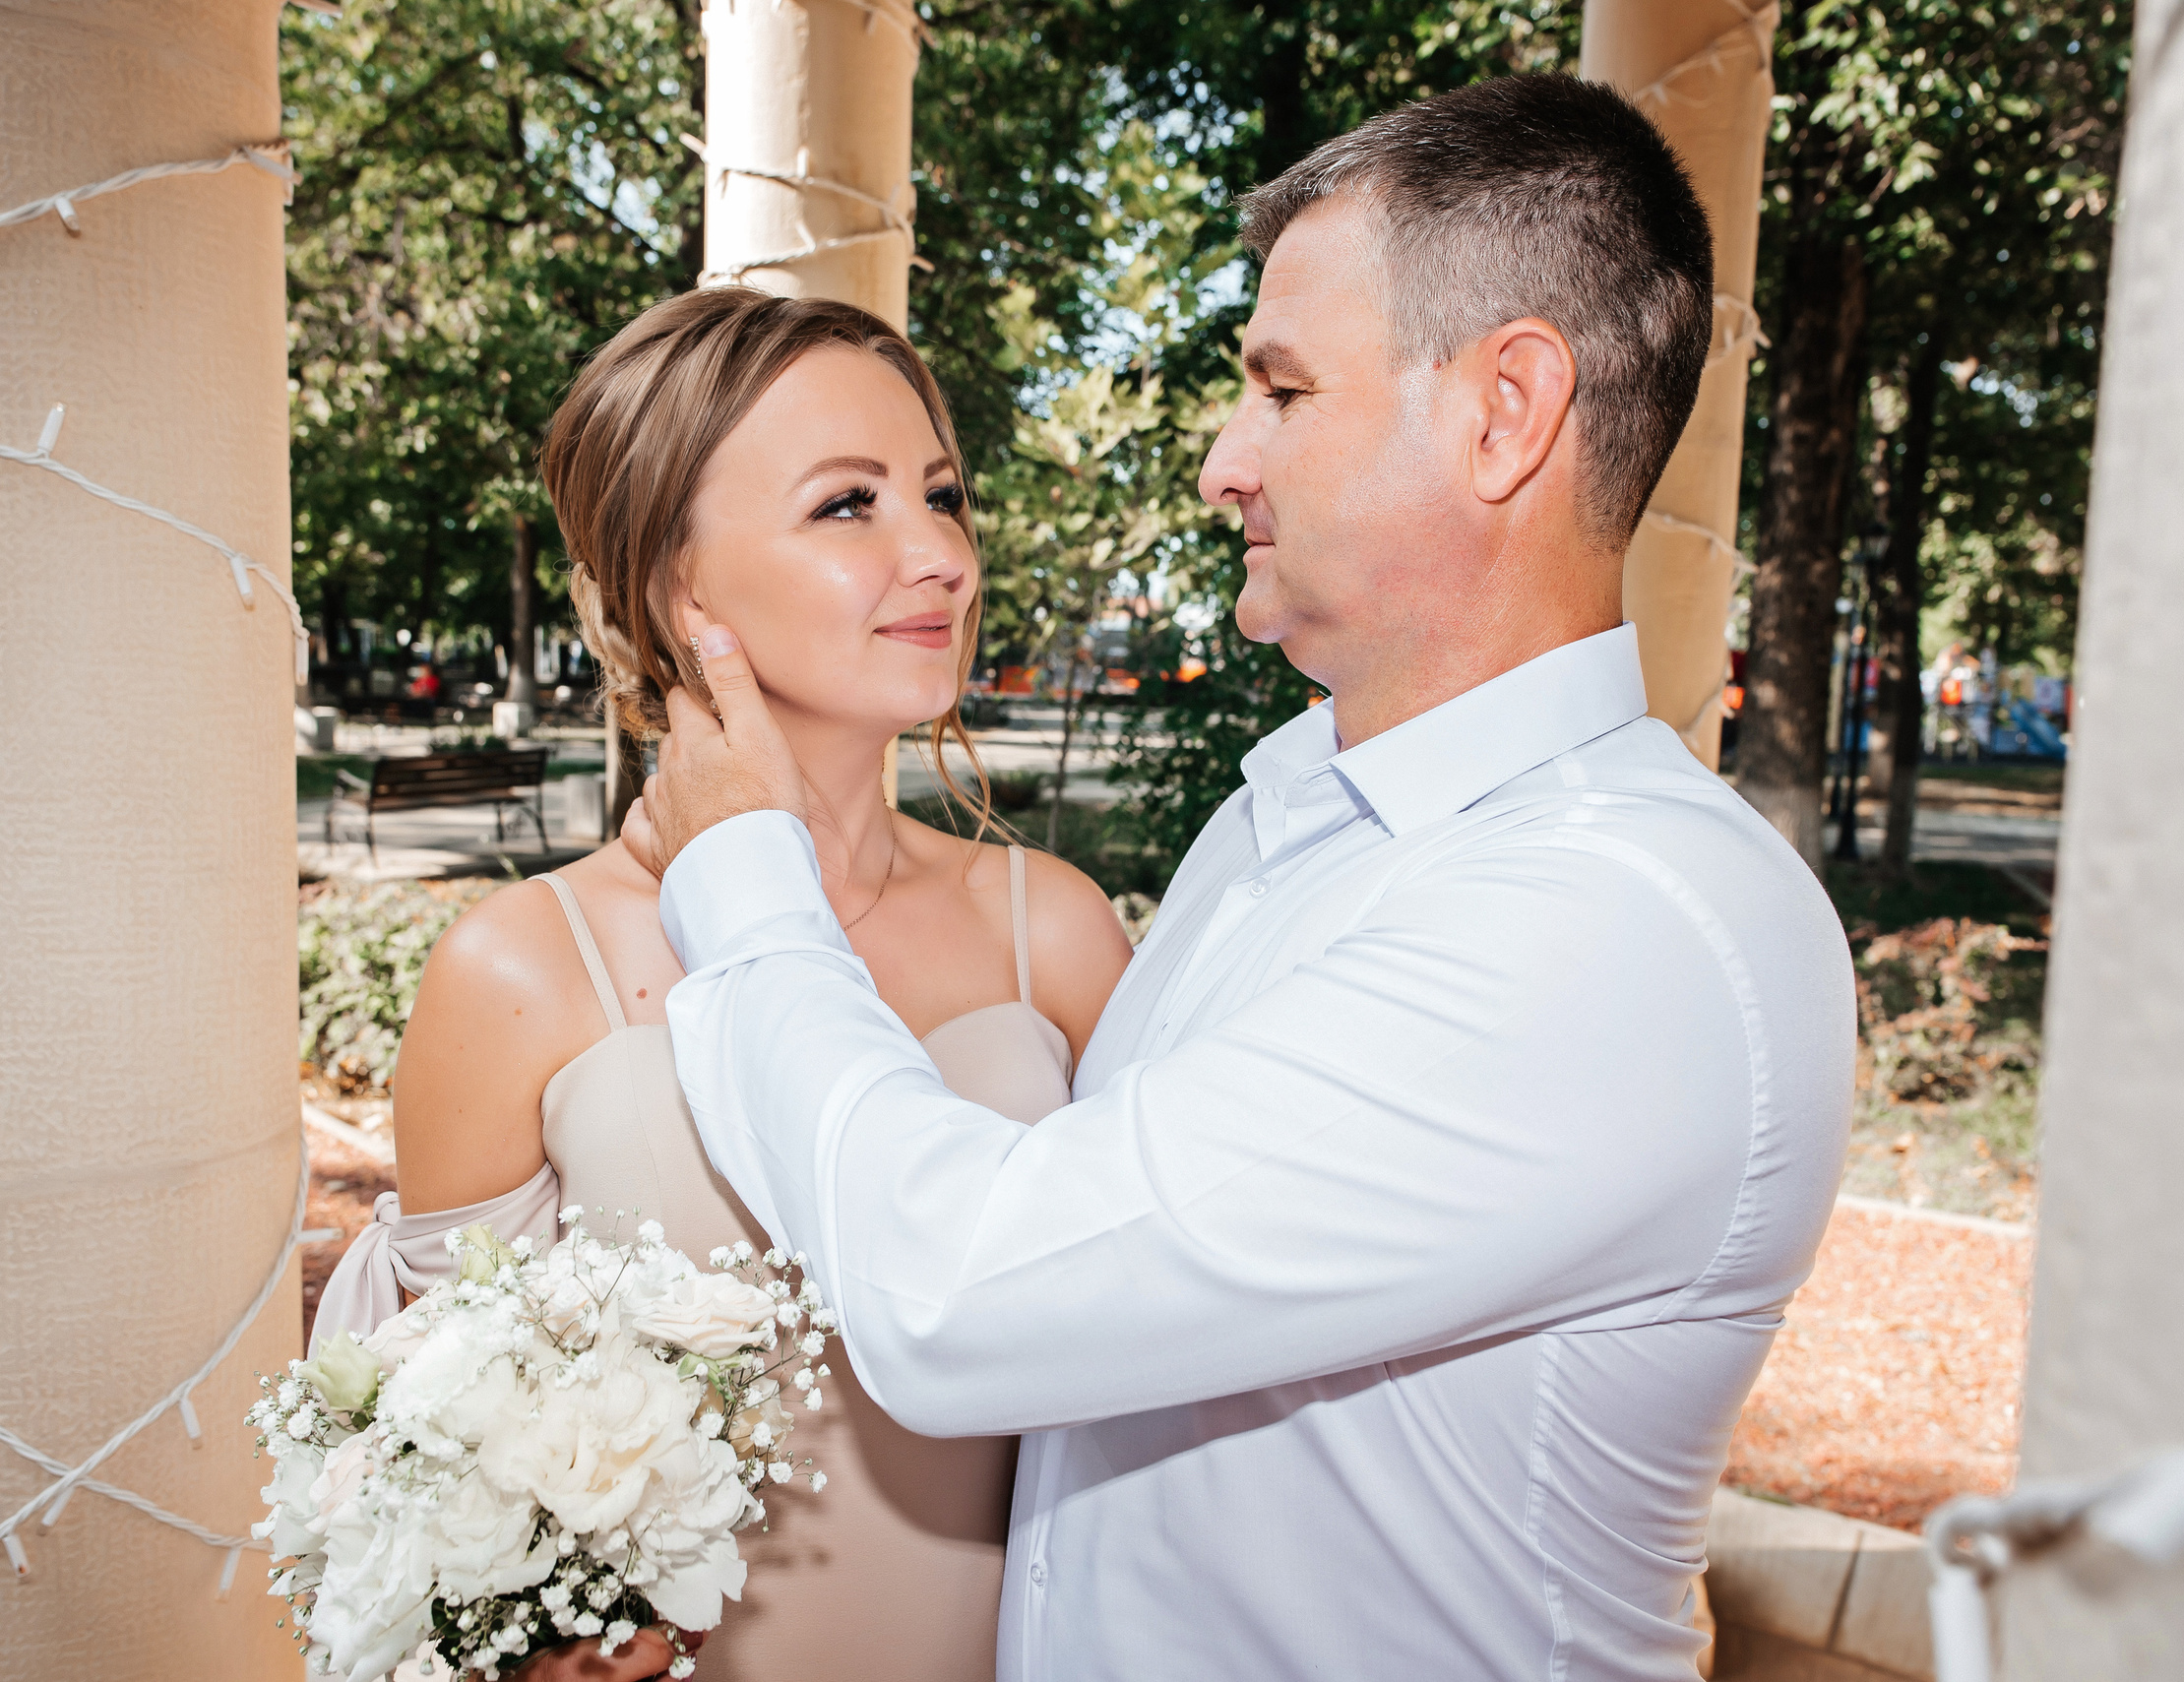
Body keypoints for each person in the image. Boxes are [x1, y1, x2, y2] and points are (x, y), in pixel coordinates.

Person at [633, 76, 1857, 1681]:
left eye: (1282, 389)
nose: (1222, 462)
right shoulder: (1280, 819)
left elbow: (965, 1286)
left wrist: (740, 870)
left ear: (1507, 411)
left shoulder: (1625, 921)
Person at [309, 288, 1135, 1681]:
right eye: (847, 506)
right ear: (677, 589)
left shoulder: (1048, 931)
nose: (938, 553)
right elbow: (441, 1468)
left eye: (941, 494)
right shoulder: (518, 968)